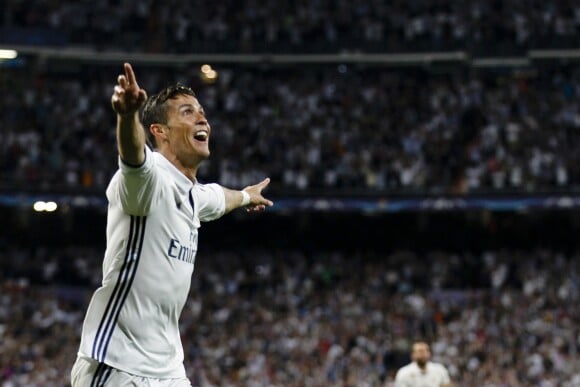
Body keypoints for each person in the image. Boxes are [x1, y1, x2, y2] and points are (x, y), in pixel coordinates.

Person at [70, 63, 273, 386]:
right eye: (187, 112)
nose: (202, 118)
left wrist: (247, 196)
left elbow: (221, 198)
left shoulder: (194, 195)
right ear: (159, 131)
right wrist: (127, 116)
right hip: (118, 364)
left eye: (202, 112)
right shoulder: (149, 180)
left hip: (168, 370)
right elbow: (133, 157)